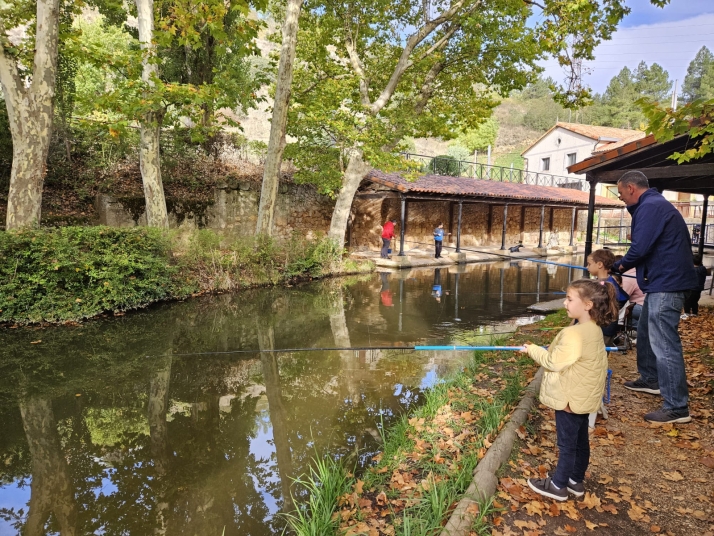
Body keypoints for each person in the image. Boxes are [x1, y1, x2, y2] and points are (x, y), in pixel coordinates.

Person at [612, 170, 698, 424]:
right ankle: (651, 380)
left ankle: (677, 407)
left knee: (665, 344)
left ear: (630, 188)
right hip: (659, 283)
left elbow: (639, 248)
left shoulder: (650, 207)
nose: (621, 199)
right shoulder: (652, 205)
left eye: (620, 194)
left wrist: (619, 267)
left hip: (667, 283)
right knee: (649, 335)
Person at [520, 279, 617, 501]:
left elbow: (554, 362)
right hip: (583, 398)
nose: (565, 303)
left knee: (567, 445)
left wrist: (532, 349)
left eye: (570, 299)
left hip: (569, 399)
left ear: (588, 305)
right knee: (581, 442)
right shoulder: (593, 330)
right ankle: (575, 481)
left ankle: (558, 486)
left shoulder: (574, 333)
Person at [585, 249, 629, 346]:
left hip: (604, 329)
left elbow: (622, 298)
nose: (587, 267)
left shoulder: (608, 284)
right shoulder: (602, 281)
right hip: (598, 328)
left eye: (589, 264)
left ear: (600, 264)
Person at [615, 254, 645, 330]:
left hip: (640, 307)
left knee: (623, 314)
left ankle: (642, 330)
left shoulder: (627, 278)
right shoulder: (635, 272)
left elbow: (620, 298)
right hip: (646, 305)